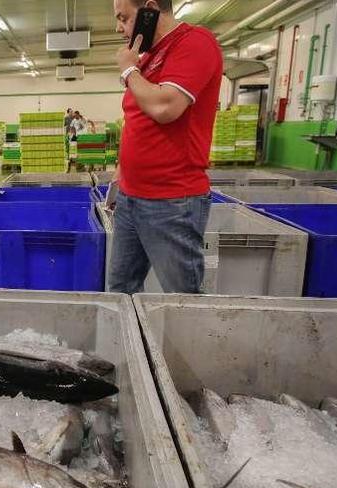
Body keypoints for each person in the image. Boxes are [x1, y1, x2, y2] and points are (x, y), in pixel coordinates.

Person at [108, 0, 222, 294]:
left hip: (171, 201)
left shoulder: (195, 42)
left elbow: (165, 106)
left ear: (150, 9)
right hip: (131, 199)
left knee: (181, 299)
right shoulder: (149, 57)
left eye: (124, 18)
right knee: (122, 288)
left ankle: (185, 342)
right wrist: (122, 173)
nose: (119, 28)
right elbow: (136, 119)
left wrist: (128, 70)